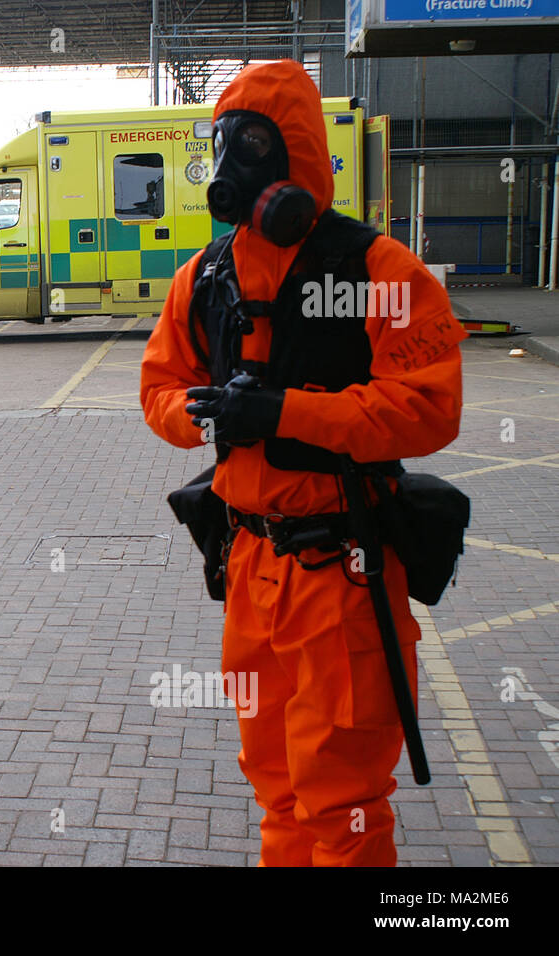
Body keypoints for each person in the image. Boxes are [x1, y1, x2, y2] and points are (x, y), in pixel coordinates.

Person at [140, 61, 467, 866]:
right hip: (248, 564)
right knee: (275, 777)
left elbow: (430, 407)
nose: (234, 164)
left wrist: (285, 412)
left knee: (342, 793)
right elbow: (158, 386)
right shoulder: (206, 275)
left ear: (300, 156)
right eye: (224, 144)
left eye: (254, 143)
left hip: (342, 572)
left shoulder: (378, 270)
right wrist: (197, 413)